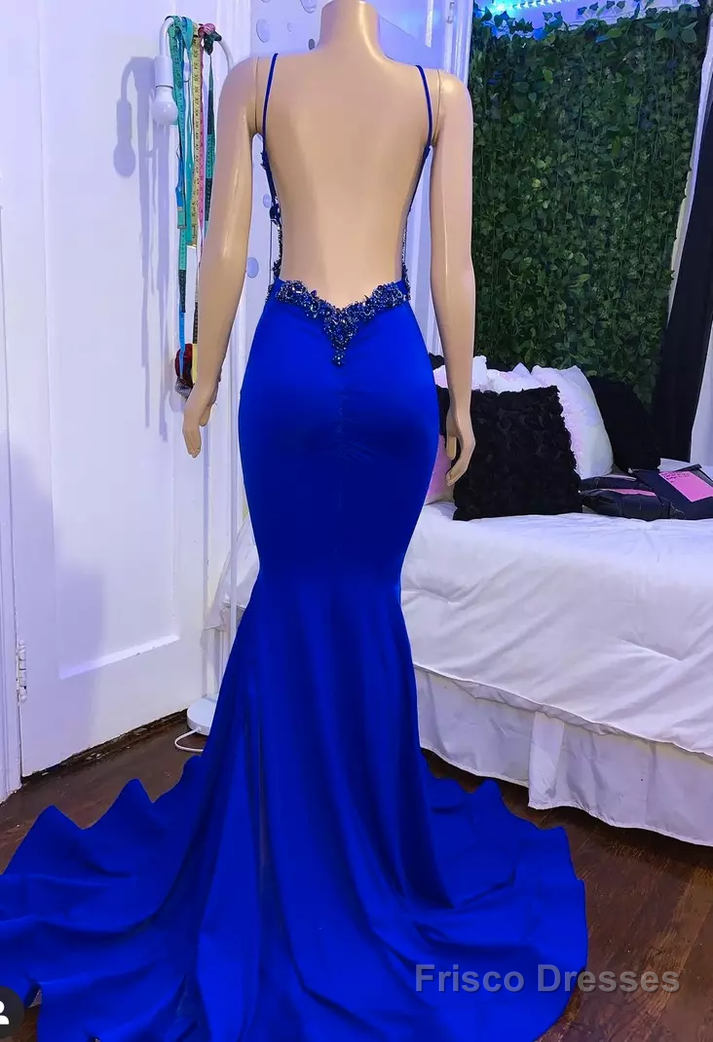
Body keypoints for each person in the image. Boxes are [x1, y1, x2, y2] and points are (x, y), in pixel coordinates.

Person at [0, 2, 587, 1038]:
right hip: (392, 367)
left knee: (292, 596)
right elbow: (450, 268)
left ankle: (280, 840)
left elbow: (226, 249)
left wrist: (201, 382)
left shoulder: (259, 83)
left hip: (287, 370)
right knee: (364, 604)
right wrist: (457, 397)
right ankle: (354, 839)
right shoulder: (434, 96)